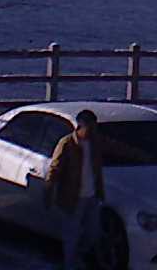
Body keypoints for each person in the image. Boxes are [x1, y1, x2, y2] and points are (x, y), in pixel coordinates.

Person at [46, 108, 107, 270]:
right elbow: (55, 169)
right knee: (71, 235)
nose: (92, 131)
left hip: (92, 196)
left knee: (93, 232)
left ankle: (79, 255)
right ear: (80, 126)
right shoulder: (67, 144)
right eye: (90, 128)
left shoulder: (95, 144)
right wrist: (49, 189)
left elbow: (112, 149)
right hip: (72, 197)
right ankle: (70, 265)